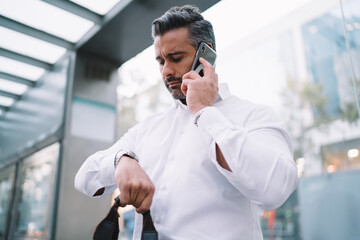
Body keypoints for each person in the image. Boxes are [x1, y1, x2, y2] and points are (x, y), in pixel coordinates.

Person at [75, 5, 298, 239]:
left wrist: (203, 110)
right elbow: (84, 178)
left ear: (206, 54)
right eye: (161, 61)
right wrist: (121, 160)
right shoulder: (148, 129)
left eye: (175, 58)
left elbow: (275, 189)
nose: (166, 71)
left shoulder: (253, 116)